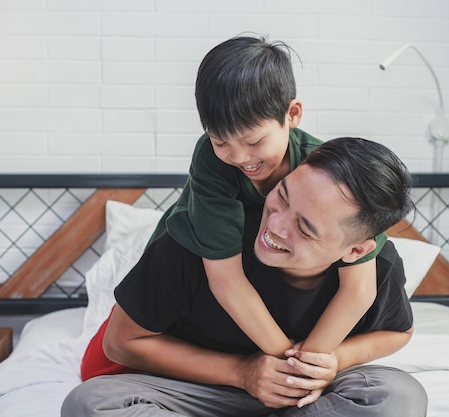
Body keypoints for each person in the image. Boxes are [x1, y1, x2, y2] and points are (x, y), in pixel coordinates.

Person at [80, 34, 388, 382]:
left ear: (293, 114)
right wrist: (283, 360)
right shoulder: (212, 165)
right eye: (220, 140)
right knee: (97, 367)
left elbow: (359, 288)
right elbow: (226, 281)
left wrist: (309, 365)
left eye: (254, 141)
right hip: (189, 280)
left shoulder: (327, 175)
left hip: (256, 300)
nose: (239, 157)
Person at [61, 137, 427, 416]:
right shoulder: (203, 238)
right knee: (91, 403)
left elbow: (399, 331)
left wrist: (336, 359)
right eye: (282, 196)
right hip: (202, 391)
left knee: (399, 396)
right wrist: (242, 372)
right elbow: (121, 343)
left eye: (305, 227)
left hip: (305, 399)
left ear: (356, 250)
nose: (276, 226)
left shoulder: (378, 268)